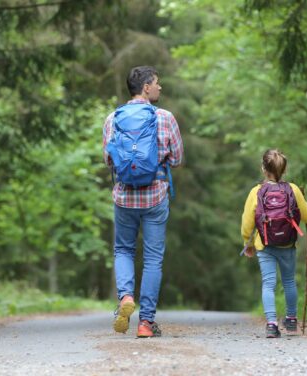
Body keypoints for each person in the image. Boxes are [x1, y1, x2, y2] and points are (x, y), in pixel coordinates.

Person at [102, 66, 183, 338]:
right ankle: (146, 322)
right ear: (146, 87)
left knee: (123, 250)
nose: (160, 88)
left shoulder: (113, 119)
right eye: (157, 83)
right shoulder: (165, 118)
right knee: (152, 259)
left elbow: (108, 159)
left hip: (124, 196)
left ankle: (125, 297)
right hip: (155, 195)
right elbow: (178, 158)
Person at [241, 149, 307, 338]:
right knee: (289, 281)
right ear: (284, 169)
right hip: (287, 245)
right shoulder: (293, 189)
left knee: (268, 284)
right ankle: (291, 321)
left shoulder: (256, 192)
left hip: (265, 245)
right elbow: (306, 216)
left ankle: (271, 324)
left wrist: (246, 242)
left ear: (263, 169)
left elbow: (247, 223)